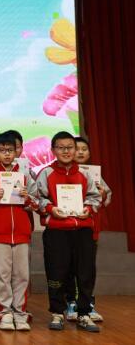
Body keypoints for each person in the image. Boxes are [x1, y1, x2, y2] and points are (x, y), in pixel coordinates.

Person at [36, 131, 101, 333]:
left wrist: (87, 209)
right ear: (53, 150)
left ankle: (84, 313)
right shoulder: (46, 173)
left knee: (85, 272)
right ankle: (57, 312)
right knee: (56, 271)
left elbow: (95, 197)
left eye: (70, 147)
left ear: (75, 149)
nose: (66, 151)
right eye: (61, 147)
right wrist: (50, 209)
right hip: (57, 231)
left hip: (82, 230)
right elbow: (38, 198)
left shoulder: (85, 173)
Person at [0, 132, 38, 331]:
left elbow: (36, 202)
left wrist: (27, 198)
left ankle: (20, 312)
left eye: (10, 150)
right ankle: (5, 312)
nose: (6, 154)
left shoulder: (25, 175)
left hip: (21, 232)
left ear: (17, 152)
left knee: (21, 274)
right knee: (2, 274)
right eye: (2, 150)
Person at [65, 136, 112, 322]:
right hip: (68, 228)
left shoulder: (95, 175)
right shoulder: (64, 173)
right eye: (77, 149)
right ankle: (71, 302)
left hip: (90, 229)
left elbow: (106, 198)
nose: (80, 152)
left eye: (84, 149)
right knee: (69, 266)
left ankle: (88, 304)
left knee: (87, 269)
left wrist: (102, 194)